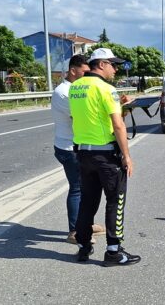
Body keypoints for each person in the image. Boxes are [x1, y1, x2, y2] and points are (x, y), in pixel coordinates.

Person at [69, 48, 140, 266]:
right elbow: (117, 125)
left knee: (87, 202)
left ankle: (83, 247)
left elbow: (85, 116)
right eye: (113, 64)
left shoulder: (76, 87)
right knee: (115, 202)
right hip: (106, 155)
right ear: (101, 64)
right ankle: (113, 252)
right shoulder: (106, 89)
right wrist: (127, 155)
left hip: (83, 153)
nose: (115, 69)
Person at [52, 54, 106, 244]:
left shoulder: (77, 88)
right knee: (77, 189)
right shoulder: (63, 92)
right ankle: (75, 231)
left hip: (78, 145)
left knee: (86, 189)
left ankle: (85, 225)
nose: (87, 76)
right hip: (68, 148)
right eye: (84, 72)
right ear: (73, 70)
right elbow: (80, 117)